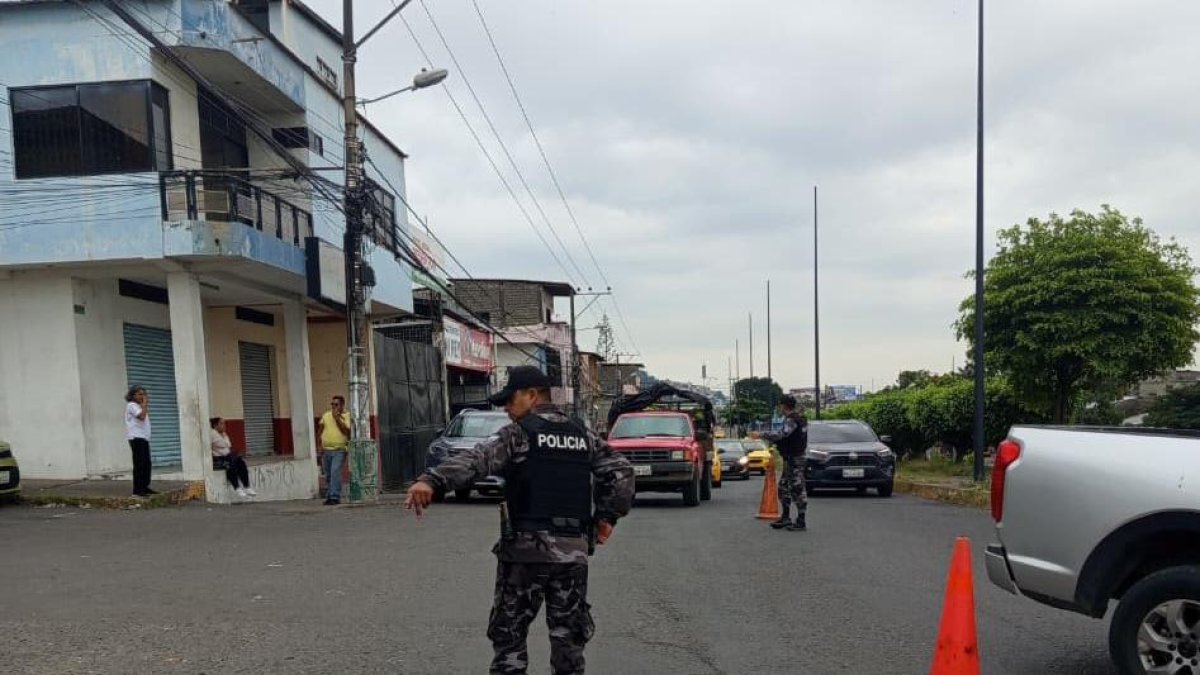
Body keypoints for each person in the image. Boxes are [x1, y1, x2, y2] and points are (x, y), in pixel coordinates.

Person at [405, 366, 634, 675]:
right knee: (569, 644)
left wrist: (432, 479)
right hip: (572, 554)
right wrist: (607, 517)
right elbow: (620, 470)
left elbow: (479, 459)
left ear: (531, 395)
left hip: (526, 553)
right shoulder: (583, 434)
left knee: (509, 639)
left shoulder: (521, 432)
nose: (506, 409)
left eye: (509, 400)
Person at [756, 394, 809, 531]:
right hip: (790, 458)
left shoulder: (792, 420)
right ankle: (786, 517)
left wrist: (762, 434)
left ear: (784, 406)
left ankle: (801, 520)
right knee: (783, 487)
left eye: (780, 405)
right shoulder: (799, 419)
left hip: (795, 458)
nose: (779, 408)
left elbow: (782, 434)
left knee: (797, 488)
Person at [317, 395, 351, 505]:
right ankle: (329, 495)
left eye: (336, 404)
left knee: (335, 471)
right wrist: (319, 446)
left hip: (339, 449)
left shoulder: (347, 416)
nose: (333, 407)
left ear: (342, 405)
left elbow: (346, 432)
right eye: (332, 404)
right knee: (328, 474)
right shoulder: (326, 416)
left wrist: (337, 418)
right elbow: (320, 430)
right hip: (326, 449)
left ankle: (335, 496)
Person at [210, 417, 256, 498]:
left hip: (227, 456)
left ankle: (247, 487)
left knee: (241, 462)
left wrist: (225, 442)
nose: (224, 426)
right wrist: (225, 443)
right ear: (215, 425)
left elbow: (228, 444)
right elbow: (224, 444)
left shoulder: (223, 434)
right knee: (230, 463)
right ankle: (237, 487)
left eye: (224, 423)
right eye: (221, 423)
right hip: (218, 459)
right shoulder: (212, 433)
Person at [124, 386, 156, 497]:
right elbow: (141, 417)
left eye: (143, 394)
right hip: (136, 438)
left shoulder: (139, 406)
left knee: (146, 464)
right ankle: (137, 490)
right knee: (139, 464)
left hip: (143, 438)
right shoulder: (132, 405)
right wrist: (144, 404)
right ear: (133, 395)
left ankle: (144, 487)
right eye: (139, 394)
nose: (142, 396)